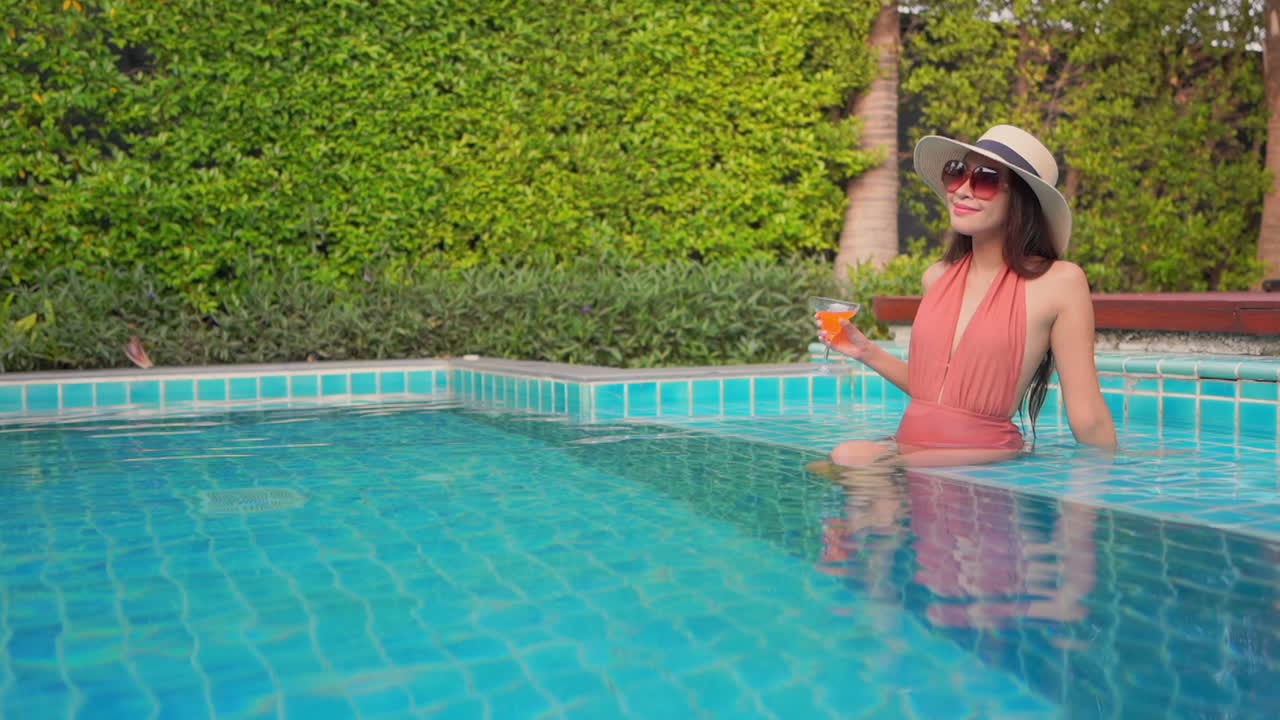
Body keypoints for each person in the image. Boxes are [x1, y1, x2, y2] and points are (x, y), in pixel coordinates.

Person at [819, 124, 1117, 467]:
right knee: (836, 459)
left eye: (986, 179)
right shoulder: (937, 277)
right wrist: (865, 350)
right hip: (914, 449)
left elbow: (1088, 417)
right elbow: (935, 394)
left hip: (984, 455)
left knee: (854, 464)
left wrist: (1100, 500)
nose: (961, 190)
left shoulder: (1060, 282)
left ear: (1020, 200)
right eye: (956, 173)